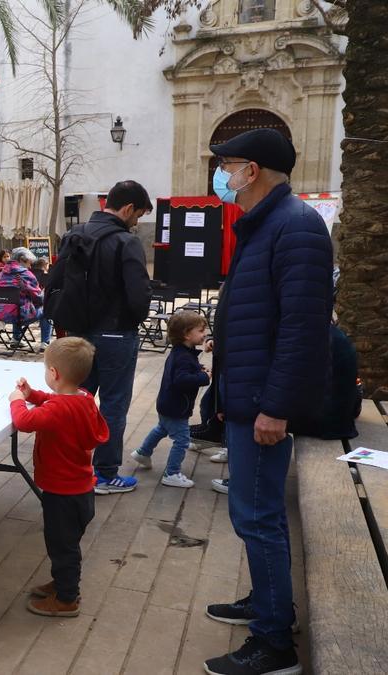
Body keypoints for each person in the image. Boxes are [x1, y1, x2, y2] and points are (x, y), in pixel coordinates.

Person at [201, 128, 332, 675]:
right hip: (249, 395)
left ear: (251, 171)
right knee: (254, 512)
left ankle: (275, 642)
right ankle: (267, 601)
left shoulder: (295, 227)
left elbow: (302, 330)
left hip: (263, 402)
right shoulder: (268, 224)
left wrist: (274, 407)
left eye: (227, 167)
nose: (223, 178)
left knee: (257, 515)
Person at [47, 180, 152, 495]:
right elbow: (139, 296)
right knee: (113, 404)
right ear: (128, 208)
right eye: (138, 216)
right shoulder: (125, 242)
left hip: (79, 334)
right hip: (116, 334)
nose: (136, 223)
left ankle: (65, 467)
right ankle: (105, 474)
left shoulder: (74, 234)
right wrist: (130, 321)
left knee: (74, 400)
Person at [8, 337, 108, 618]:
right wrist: (33, 395)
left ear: (54, 373)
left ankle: (67, 599)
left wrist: (17, 401)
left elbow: (24, 422)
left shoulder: (58, 410)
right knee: (65, 545)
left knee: (62, 547)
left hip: (62, 494)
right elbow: (56, 400)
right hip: (80, 490)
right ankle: (63, 582)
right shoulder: (84, 398)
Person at [130, 311, 210, 489]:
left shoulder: (182, 352)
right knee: (182, 440)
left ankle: (143, 452)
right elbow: (181, 380)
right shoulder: (183, 357)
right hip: (176, 407)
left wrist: (198, 369)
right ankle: (171, 473)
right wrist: (203, 377)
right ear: (187, 334)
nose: (204, 334)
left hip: (168, 404)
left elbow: (183, 372)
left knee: (161, 428)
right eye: (201, 330)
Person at [0, 247, 50, 350]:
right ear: (22, 260)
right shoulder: (25, 274)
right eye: (29, 263)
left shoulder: (2, 273)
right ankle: (45, 343)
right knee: (47, 309)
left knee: (16, 304)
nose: (30, 266)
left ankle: (16, 338)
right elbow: (38, 298)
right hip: (18, 315)